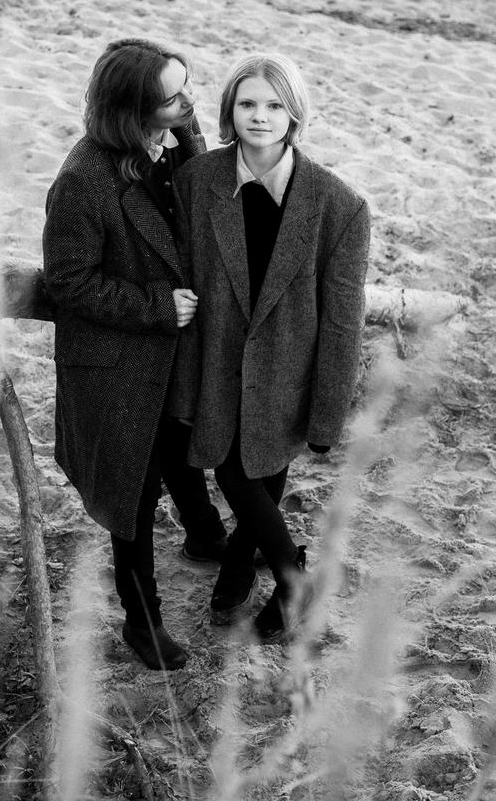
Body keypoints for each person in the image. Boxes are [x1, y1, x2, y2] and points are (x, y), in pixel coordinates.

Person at [170, 52, 370, 641]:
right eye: (248, 103)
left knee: (260, 467)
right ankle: (288, 575)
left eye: (275, 105)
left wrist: (328, 412)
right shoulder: (197, 181)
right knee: (237, 471)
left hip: (288, 369)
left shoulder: (340, 206)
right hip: (215, 363)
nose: (260, 116)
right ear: (229, 110)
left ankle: (250, 569)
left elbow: (342, 322)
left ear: (295, 114)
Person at [42, 38, 227, 671]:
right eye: (174, 96)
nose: (190, 101)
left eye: (186, 85)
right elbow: (68, 281)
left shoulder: (174, 140)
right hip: (116, 361)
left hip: (174, 348)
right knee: (136, 489)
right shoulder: (82, 181)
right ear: (133, 111)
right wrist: (155, 306)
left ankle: (205, 536)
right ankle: (141, 621)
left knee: (179, 441)